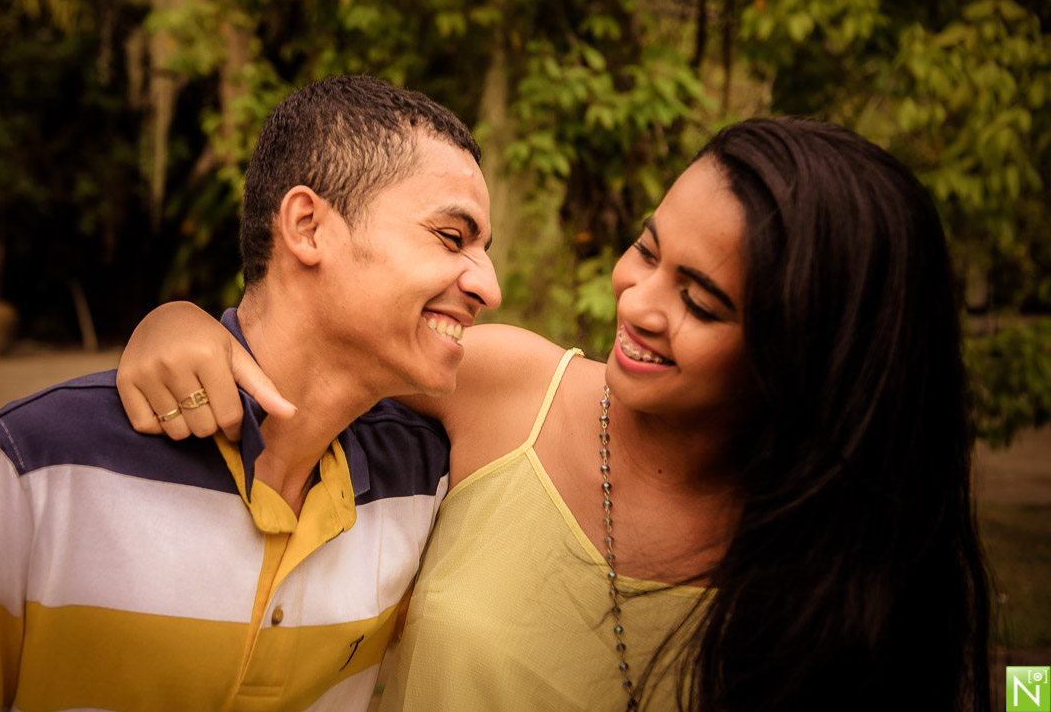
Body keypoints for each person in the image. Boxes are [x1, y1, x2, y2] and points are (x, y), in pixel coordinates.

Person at [116, 117, 993, 711]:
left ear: (807, 355)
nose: (638, 302)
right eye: (646, 249)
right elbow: (312, 343)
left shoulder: (850, 568)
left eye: (700, 300)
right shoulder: (508, 389)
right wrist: (181, 322)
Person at [0, 75, 501, 712]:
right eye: (452, 237)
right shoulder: (35, 465)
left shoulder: (422, 484)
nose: (489, 288)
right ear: (308, 227)